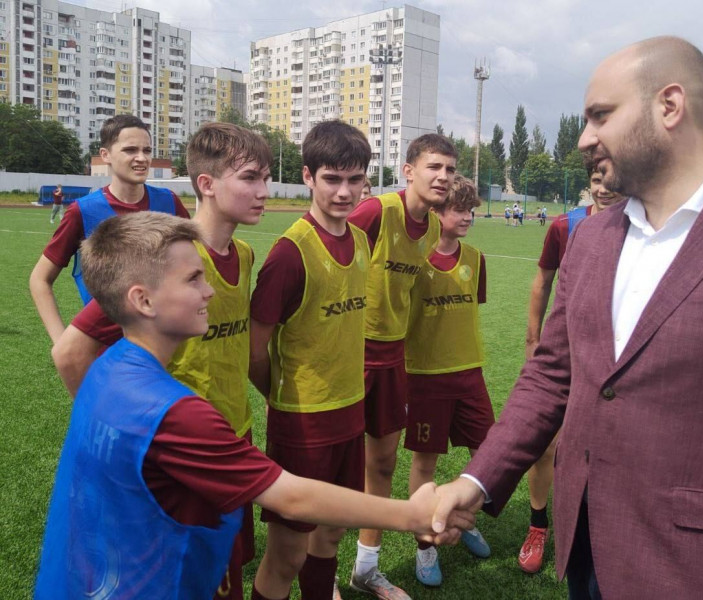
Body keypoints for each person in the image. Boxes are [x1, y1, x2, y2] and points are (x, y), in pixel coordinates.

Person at [430, 36, 703, 598]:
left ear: (669, 106)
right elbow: (551, 377)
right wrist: (478, 478)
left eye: (600, 116)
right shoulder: (590, 239)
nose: (583, 138)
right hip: (588, 552)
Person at [34, 212, 472, 600]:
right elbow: (293, 497)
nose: (210, 291)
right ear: (142, 300)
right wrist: (413, 514)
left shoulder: (108, 370)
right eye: (193, 279)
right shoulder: (174, 412)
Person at [49, 122, 273, 600]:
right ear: (206, 185)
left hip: (235, 433)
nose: (263, 191)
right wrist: (117, 427)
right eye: (251, 177)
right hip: (180, 451)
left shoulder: (247, 253)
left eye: (267, 178)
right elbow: (71, 351)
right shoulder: (166, 263)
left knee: (227, 569)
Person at [248, 120, 372, 600]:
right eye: (332, 179)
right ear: (307, 176)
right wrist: (282, 398)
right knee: (287, 554)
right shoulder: (289, 254)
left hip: (350, 415)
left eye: (354, 179)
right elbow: (254, 351)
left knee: (331, 535)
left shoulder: (360, 241)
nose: (344, 192)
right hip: (303, 425)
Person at [346, 133, 457, 600]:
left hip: (393, 357)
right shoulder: (376, 212)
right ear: (408, 170)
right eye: (434, 167)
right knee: (333, 468)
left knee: (384, 463)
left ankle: (365, 568)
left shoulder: (432, 228)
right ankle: (313, 570)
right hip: (350, 352)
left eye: (450, 170)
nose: (443, 177)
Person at [518, 165, 623, 574]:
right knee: (546, 444)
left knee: (606, 448)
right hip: (567, 355)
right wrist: (532, 340)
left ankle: (594, 527)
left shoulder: (644, 227)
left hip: (615, 362)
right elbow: (542, 281)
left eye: (612, 181)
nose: (604, 189)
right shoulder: (566, 225)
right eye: (597, 180)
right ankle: (538, 526)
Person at [404, 175, 494, 587]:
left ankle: (464, 518)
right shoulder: (415, 260)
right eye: (459, 210)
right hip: (425, 378)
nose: (467, 217)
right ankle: (425, 545)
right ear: (436, 213)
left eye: (470, 210)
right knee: (426, 462)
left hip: (470, 374)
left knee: (485, 456)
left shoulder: (476, 258)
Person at [29, 114, 188, 344]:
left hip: (165, 345)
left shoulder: (170, 202)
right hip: (105, 351)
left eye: (147, 150)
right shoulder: (83, 211)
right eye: (130, 150)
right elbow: (39, 279)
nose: (141, 158)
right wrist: (60, 340)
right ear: (105, 155)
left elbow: (195, 263)